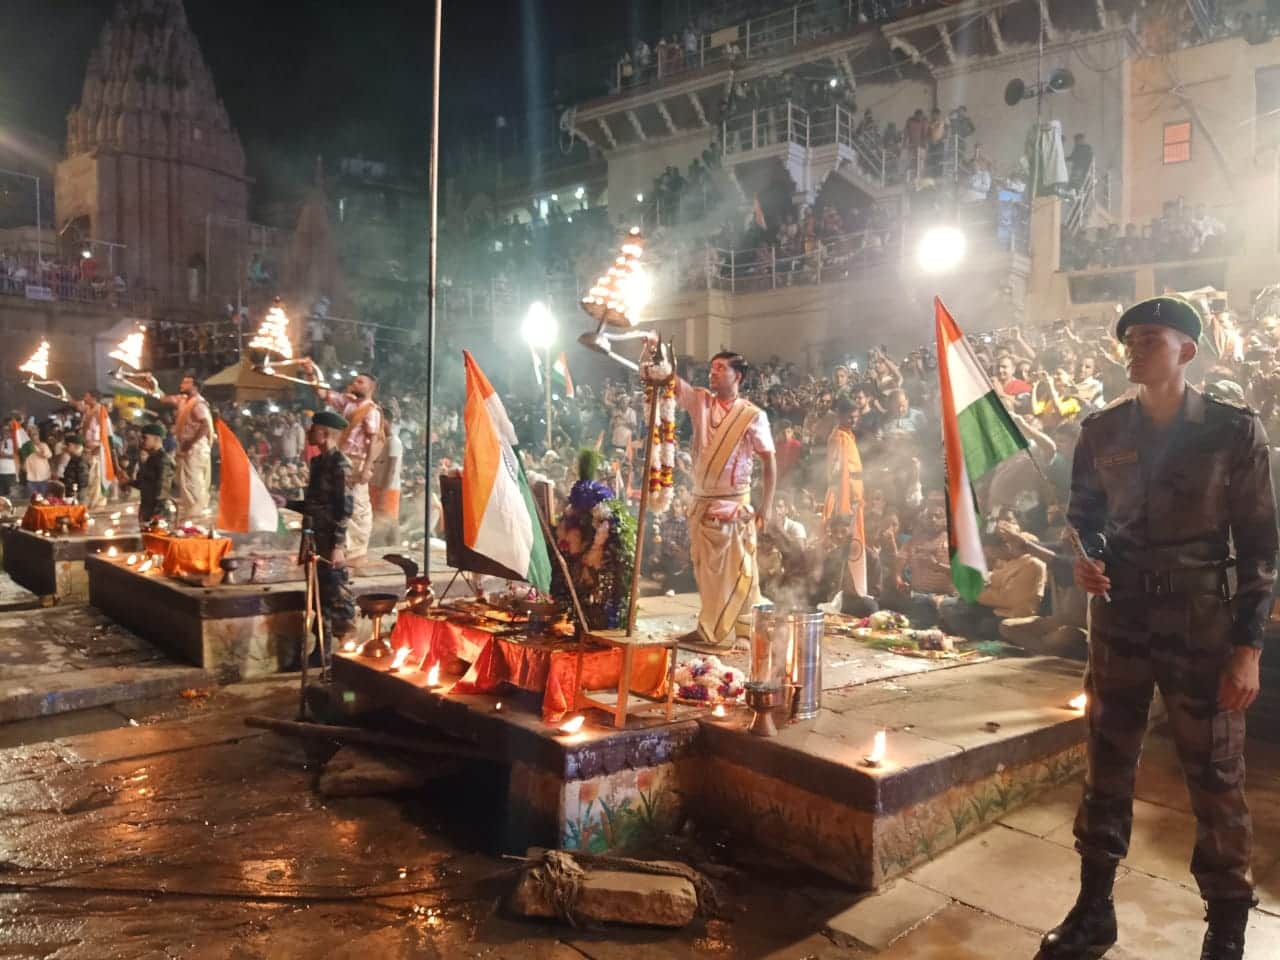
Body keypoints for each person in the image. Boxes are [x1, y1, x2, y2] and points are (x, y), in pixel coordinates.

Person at [1042, 296, 1278, 960]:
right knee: (1106, 761)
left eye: (1150, 338)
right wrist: (1086, 556)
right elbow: (1083, 511)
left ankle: (1227, 925)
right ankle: (1094, 909)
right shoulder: (1103, 430)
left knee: (1215, 770)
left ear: (1187, 351)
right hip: (1118, 615)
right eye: (1130, 340)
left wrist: (1249, 648)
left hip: (1200, 618)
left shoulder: (1233, 432)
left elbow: (1261, 544)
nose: (1134, 349)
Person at [648, 343, 776, 647]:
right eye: (712, 368)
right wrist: (657, 354)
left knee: (731, 574)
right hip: (702, 503)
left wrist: (766, 507)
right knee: (707, 575)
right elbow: (673, 383)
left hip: (734, 505)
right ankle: (715, 628)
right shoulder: (701, 402)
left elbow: (769, 460)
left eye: (721, 369)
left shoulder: (752, 416)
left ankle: (720, 633)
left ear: (738, 376)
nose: (713, 373)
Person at [285, 410, 355, 664]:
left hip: (329, 541)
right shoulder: (318, 463)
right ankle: (322, 651)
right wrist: (287, 503)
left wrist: (338, 545)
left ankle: (348, 650)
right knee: (316, 597)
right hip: (313, 536)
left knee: (336, 595)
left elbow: (345, 508)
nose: (309, 432)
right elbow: (314, 504)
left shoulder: (341, 465)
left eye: (313, 429)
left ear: (325, 433)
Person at [309, 367, 383, 562]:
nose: (355, 383)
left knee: (356, 505)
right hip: (342, 458)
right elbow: (323, 393)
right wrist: (313, 373)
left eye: (360, 382)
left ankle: (356, 551)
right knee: (337, 502)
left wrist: (367, 468)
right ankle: (341, 548)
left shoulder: (371, 410)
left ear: (371, 387)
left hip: (357, 461)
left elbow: (373, 441)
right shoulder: (347, 403)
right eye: (355, 381)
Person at [938, 529, 1047, 639]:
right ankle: (975, 636)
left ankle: (979, 639)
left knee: (985, 626)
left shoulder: (1032, 565)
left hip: (1013, 614)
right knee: (950, 605)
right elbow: (993, 580)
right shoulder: (1008, 560)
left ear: (1005, 546)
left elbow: (1007, 599)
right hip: (996, 609)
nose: (993, 557)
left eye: (992, 552)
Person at [162, 375, 213, 523]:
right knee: (184, 481)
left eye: (186, 382)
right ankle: (192, 511)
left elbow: (204, 426)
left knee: (193, 481)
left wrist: (189, 443)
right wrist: (152, 384)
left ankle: (196, 514)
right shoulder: (182, 400)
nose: (182, 384)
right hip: (185, 446)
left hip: (195, 447)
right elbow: (162, 398)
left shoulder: (198, 404)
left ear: (195, 386)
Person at [128, 422, 174, 527]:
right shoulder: (151, 459)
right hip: (147, 509)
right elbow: (146, 484)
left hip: (157, 512)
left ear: (157, 439)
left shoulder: (163, 459)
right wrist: (129, 482)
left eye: (145, 438)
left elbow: (163, 488)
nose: (142, 441)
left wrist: (157, 514)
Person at [75, 392, 113, 510]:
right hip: (86, 449)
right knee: (87, 478)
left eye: (87, 396)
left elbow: (106, 432)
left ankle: (97, 504)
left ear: (93, 398)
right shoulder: (88, 411)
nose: (84, 398)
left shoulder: (101, 411)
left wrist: (99, 448)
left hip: (97, 449)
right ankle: (89, 503)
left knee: (96, 477)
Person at [369, 415, 403, 547]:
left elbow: (391, 470)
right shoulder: (379, 440)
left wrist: (384, 492)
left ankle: (395, 548)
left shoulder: (394, 442)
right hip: (374, 486)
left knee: (390, 521)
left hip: (389, 489)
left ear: (387, 422)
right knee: (375, 520)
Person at [60, 435, 90, 503]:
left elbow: (83, 482)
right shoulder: (73, 459)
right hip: (72, 493)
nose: (66, 447)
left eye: (68, 445)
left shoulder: (80, 461)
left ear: (74, 446)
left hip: (77, 495)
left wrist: (74, 494)